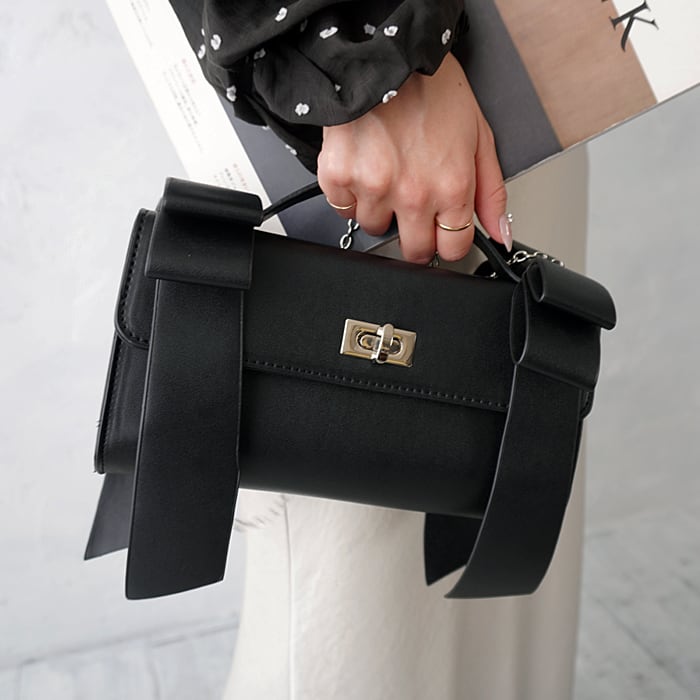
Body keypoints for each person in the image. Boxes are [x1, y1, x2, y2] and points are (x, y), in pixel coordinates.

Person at [174, 1, 591, 697]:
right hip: (391, 76)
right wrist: (365, 62)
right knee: (353, 605)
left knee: (495, 602)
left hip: (502, 63)